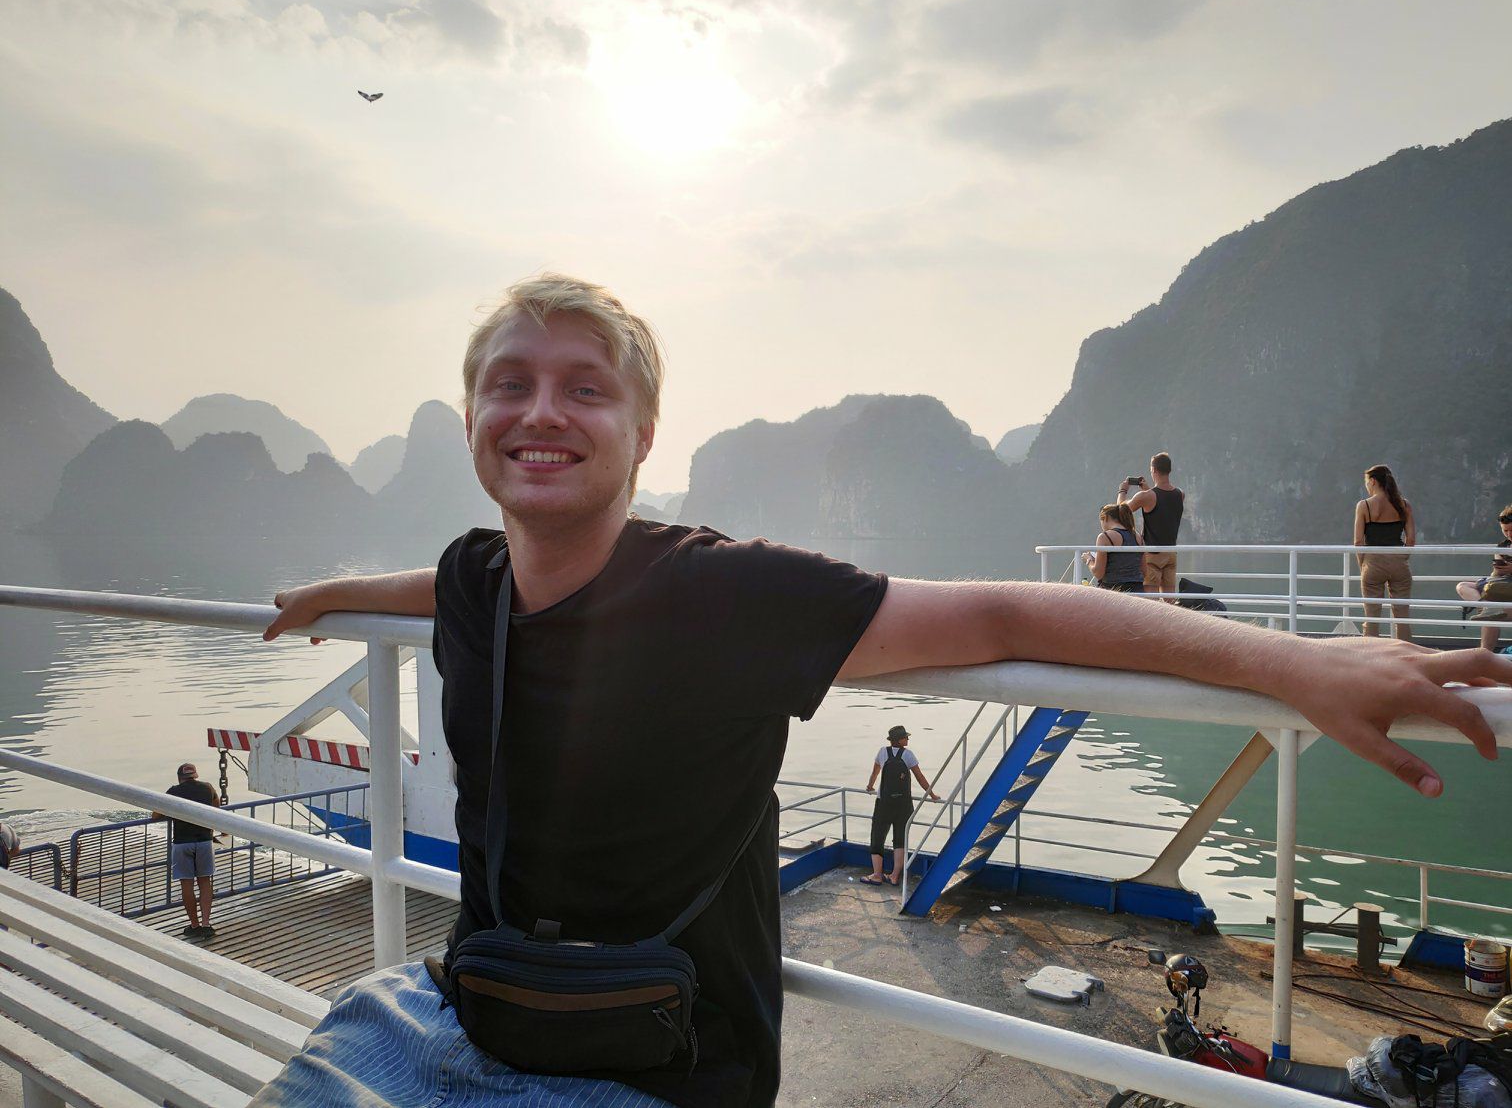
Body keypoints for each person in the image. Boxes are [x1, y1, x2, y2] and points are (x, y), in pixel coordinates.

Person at [256, 273, 1507, 1108]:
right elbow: (455, 582)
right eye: (510, 385)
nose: (542, 411)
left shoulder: (722, 595)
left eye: (586, 388)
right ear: (470, 419)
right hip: (456, 1013)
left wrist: (1294, 662)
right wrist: (334, 592)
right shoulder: (472, 581)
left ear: (644, 435)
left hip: (653, 1068)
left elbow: (1009, 614)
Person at [861, 726, 940, 885]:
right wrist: (932, 795)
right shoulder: (908, 755)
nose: (908, 739)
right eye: (905, 737)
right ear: (899, 740)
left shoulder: (882, 752)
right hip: (904, 804)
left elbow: (875, 772)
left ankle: (877, 875)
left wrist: (870, 786)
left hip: (883, 803)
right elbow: (920, 777)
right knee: (900, 839)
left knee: (877, 837)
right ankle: (894, 876)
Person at [152, 762, 220, 939]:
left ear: (179, 778)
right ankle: (206, 924)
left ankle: (194, 925)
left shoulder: (173, 791)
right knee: (204, 882)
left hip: (182, 843)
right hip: (204, 841)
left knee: (187, 884)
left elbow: (156, 815)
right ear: (195, 775)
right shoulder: (207, 787)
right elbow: (216, 806)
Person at [1354, 464, 1416, 641]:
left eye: (1367, 482)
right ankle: (1405, 651)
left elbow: (1358, 542)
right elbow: (1411, 539)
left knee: (1372, 617)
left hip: (1372, 563)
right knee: (1402, 616)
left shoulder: (1364, 506)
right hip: (1399, 563)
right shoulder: (1404, 504)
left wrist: (1363, 564)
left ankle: (1371, 651)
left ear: (1373, 481)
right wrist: (1402, 557)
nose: (1367, 486)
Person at [1119, 452, 1184, 601]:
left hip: (1152, 554)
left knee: (1151, 602)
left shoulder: (1146, 496)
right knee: (1169, 601)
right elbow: (1162, 508)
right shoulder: (1180, 494)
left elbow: (1121, 510)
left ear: (1153, 470)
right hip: (1170, 553)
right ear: (1169, 470)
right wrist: (1147, 490)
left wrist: (1122, 490)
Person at [1456, 503, 1512, 651]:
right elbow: (1495, 576)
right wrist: (1498, 569)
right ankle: (1486, 607)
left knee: (1491, 615)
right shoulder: (1503, 546)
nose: (1509, 534)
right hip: (1502, 586)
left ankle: (1485, 652)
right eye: (1505, 530)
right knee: (1462, 586)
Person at [1084, 503, 1145, 592]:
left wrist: (1089, 560)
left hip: (1112, 590)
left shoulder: (1105, 537)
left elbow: (1098, 573)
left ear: (1105, 518)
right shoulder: (1138, 537)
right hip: (1137, 590)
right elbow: (1144, 571)